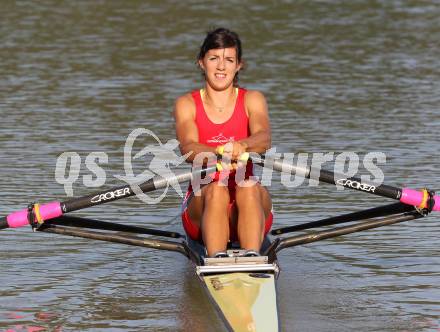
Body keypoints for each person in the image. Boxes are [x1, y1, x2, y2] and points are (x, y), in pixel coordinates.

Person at [174, 28, 272, 258]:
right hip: (202, 204)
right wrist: (218, 153)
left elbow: (264, 138)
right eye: (214, 58)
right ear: (201, 62)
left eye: (229, 60)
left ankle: (251, 258)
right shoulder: (186, 103)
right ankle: (217, 261)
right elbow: (188, 147)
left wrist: (243, 146)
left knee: (247, 186)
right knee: (217, 190)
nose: (221, 67)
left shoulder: (252, 99)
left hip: (247, 203)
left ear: (239, 65)